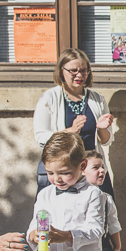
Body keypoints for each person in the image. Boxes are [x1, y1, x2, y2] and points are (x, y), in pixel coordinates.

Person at [34, 49, 115, 195]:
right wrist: (68, 132)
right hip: (65, 171)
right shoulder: (48, 98)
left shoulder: (97, 99)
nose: (79, 75)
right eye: (73, 71)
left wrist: (101, 128)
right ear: (61, 71)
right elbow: (40, 138)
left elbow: (106, 141)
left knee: (101, 213)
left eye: (84, 71)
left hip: (91, 170)